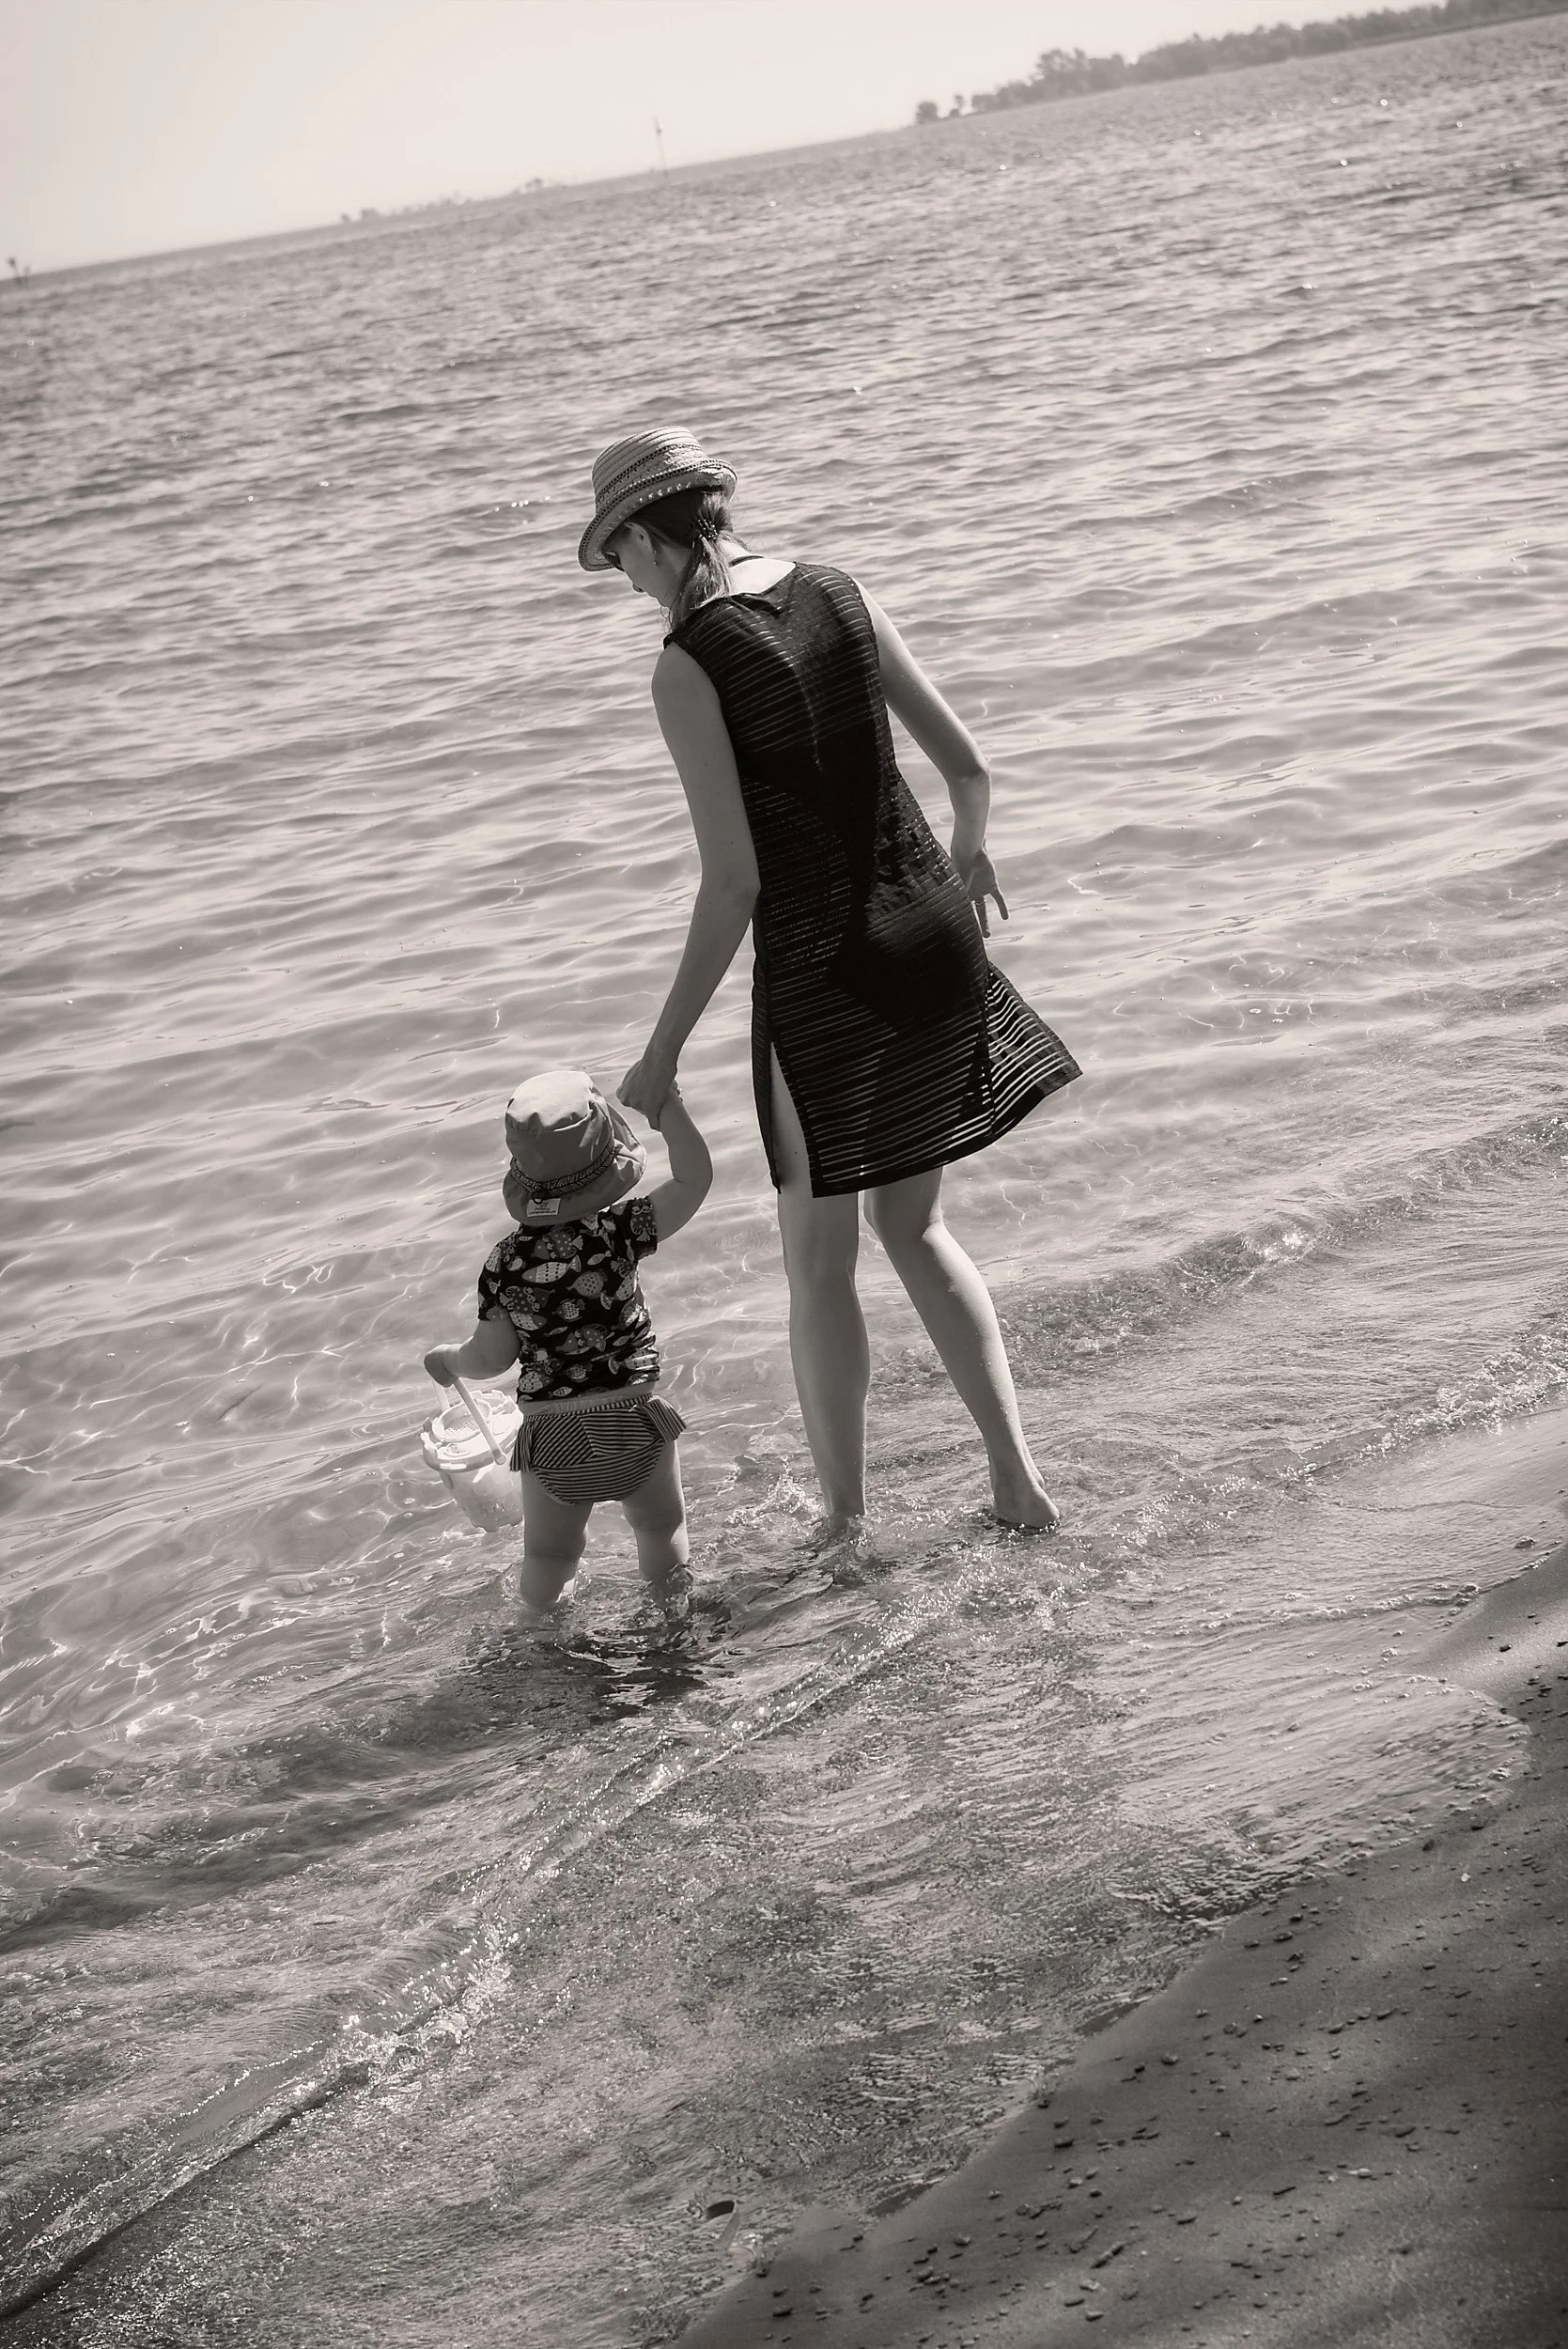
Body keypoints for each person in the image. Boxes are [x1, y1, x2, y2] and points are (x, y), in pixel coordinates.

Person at [579, 427, 1080, 1540]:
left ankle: (845, 1525)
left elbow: (734, 882)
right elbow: (969, 766)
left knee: (817, 1262)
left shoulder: (688, 663)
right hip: (937, 936)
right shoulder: (839, 588)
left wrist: (661, 1053)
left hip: (825, 976)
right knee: (918, 1229)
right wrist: (968, 856)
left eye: (615, 559)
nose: (620, 581)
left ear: (645, 538)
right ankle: (1016, 1478)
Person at [425, 1067, 712, 1612]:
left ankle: (536, 1638)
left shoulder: (504, 1264)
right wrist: (669, 1107)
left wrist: (448, 1360)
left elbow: (492, 1357)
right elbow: (695, 1180)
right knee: (660, 1530)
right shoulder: (622, 1232)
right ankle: (674, 1620)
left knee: (551, 1559)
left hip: (552, 1441)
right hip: (633, 1418)